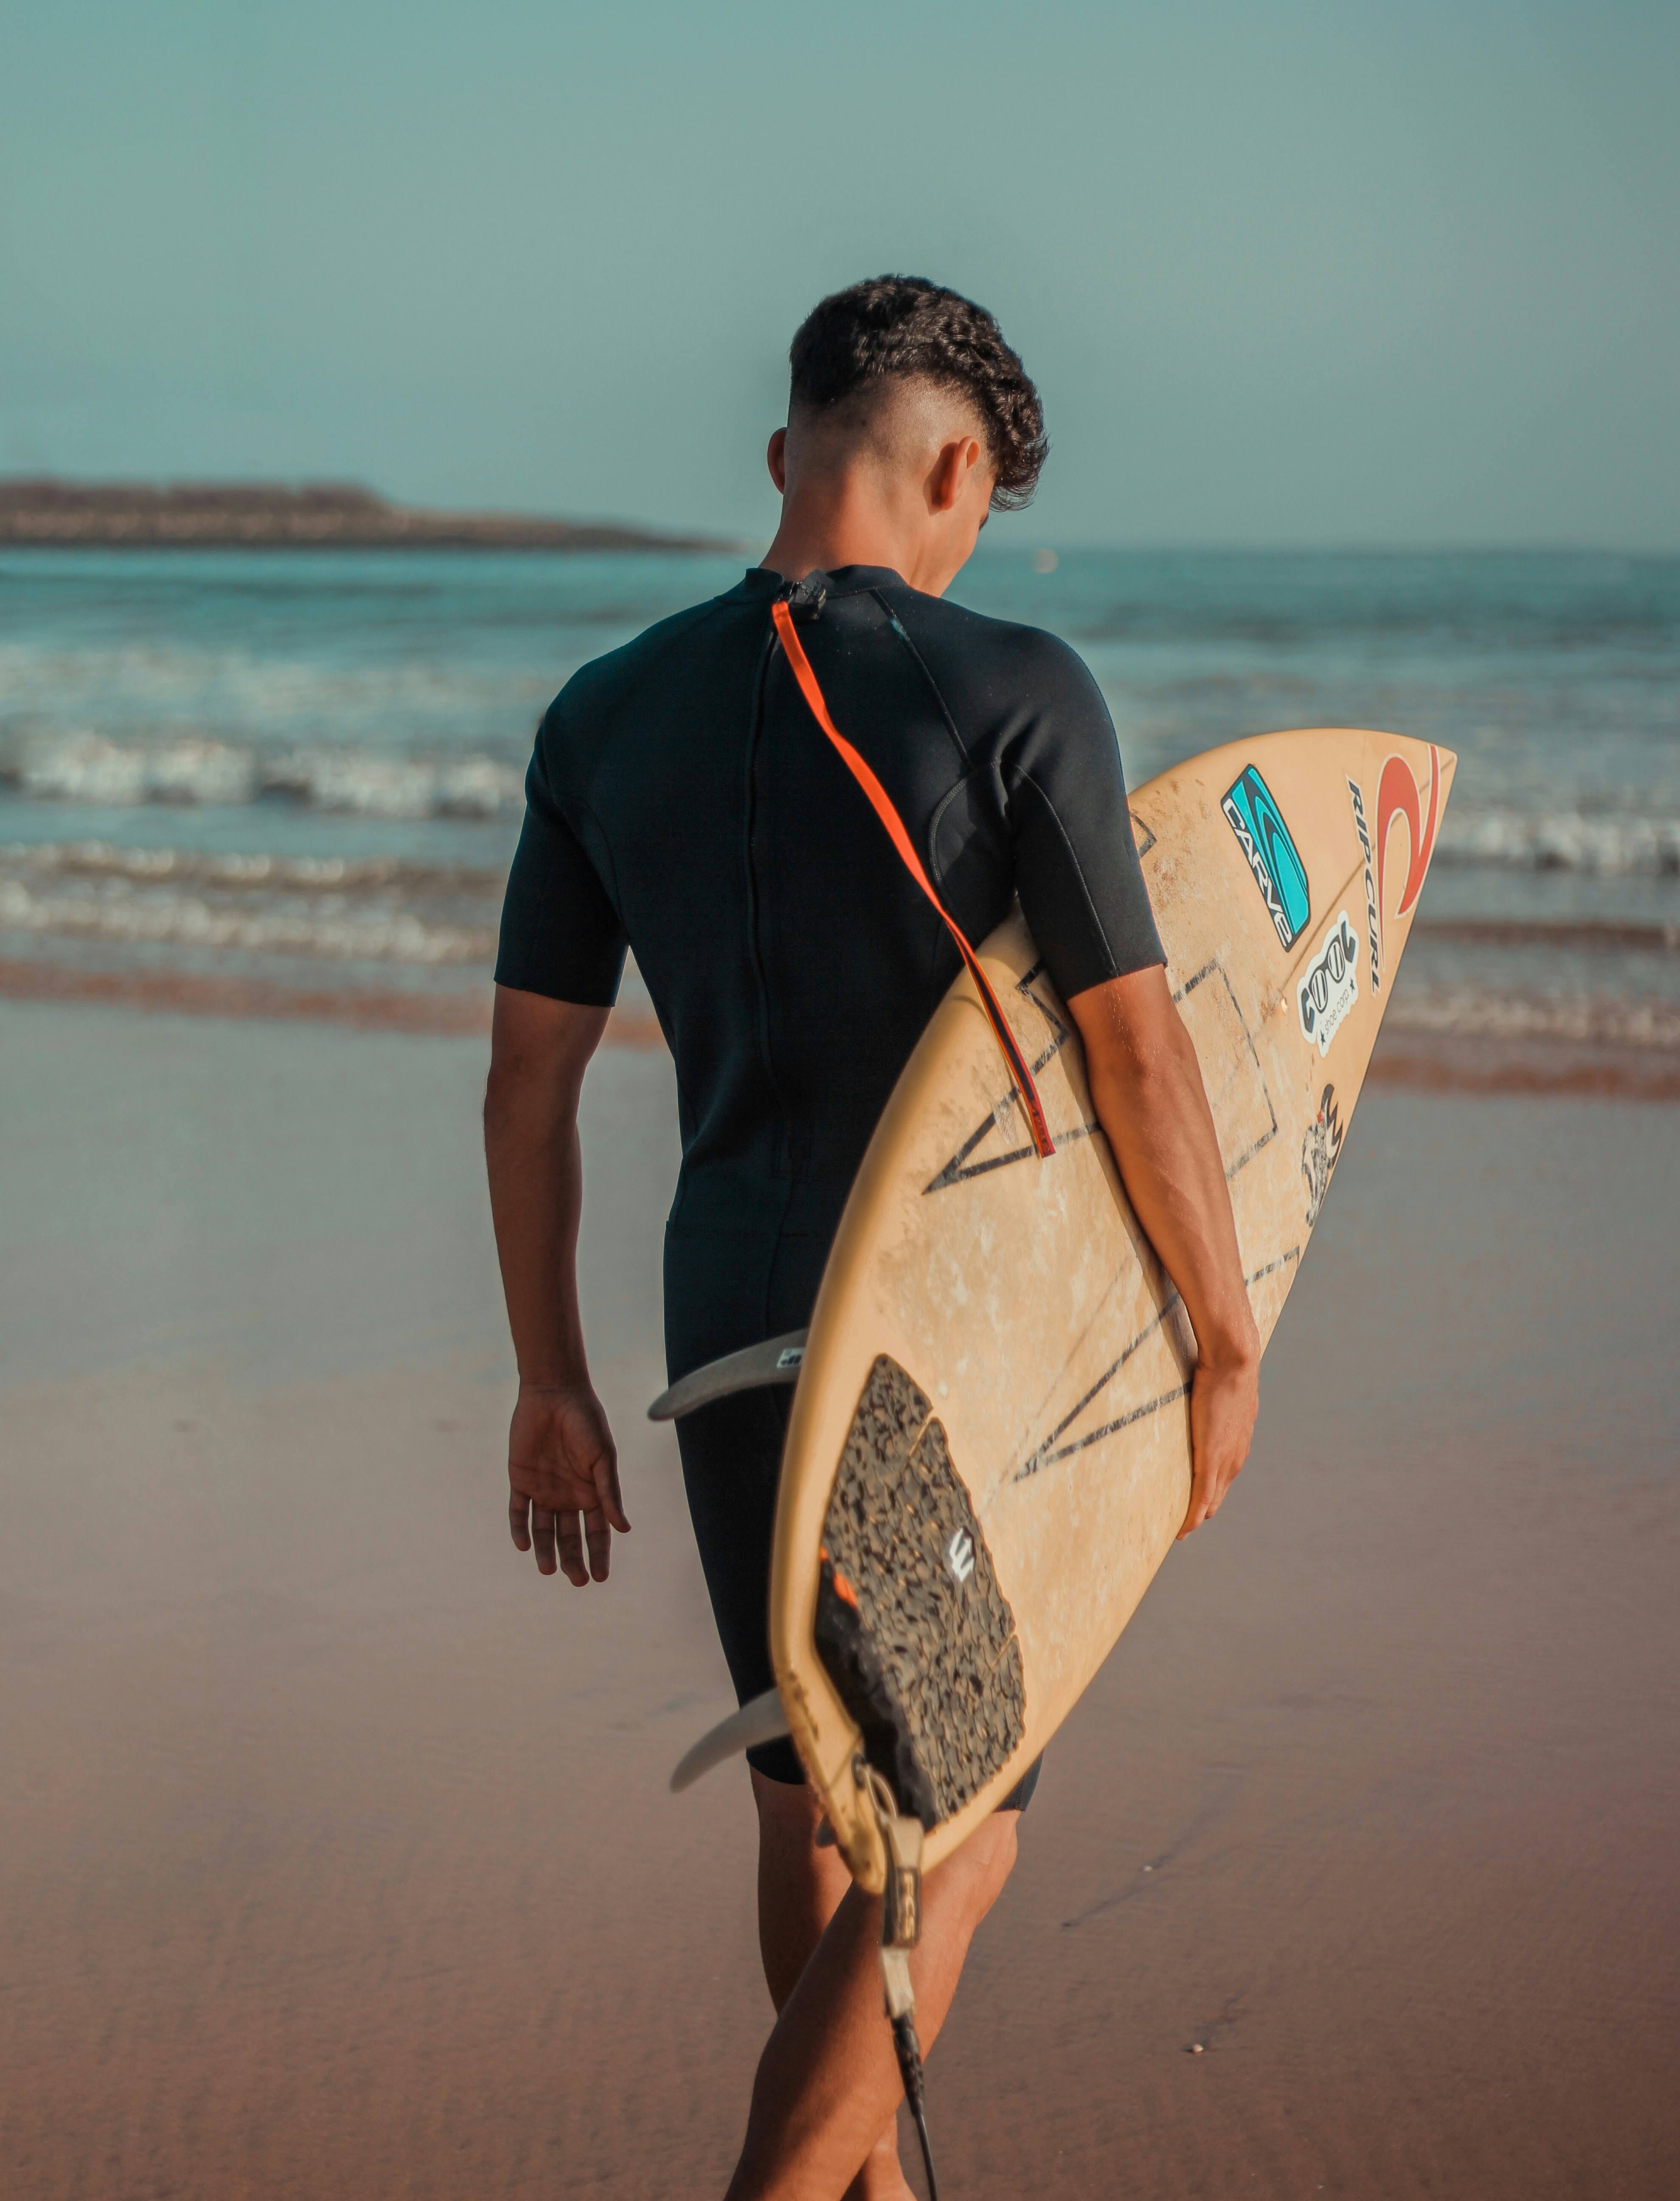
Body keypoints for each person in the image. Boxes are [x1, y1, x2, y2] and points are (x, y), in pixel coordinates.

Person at [483, 276, 1259, 2201]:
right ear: (952, 465)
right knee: (958, 1833)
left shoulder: (600, 717)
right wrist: (1221, 1336)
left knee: (810, 1807)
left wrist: (548, 1382)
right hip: (926, 1333)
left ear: (780, 454)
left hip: (717, 1309)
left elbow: (525, 1090)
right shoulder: (1011, 691)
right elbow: (1139, 1050)